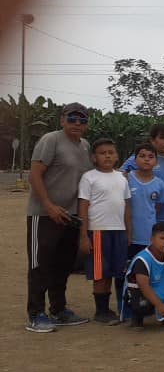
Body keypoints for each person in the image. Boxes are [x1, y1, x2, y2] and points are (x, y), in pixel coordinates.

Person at [26, 102, 92, 332]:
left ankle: (59, 310)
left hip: (70, 216)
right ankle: (36, 314)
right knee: (40, 264)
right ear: (62, 119)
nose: (77, 123)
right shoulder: (51, 140)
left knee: (63, 265)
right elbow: (35, 175)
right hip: (44, 214)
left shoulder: (85, 146)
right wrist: (48, 205)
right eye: (72, 118)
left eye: (82, 120)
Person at [78, 138, 131, 324]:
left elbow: (127, 207)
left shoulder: (122, 178)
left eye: (111, 152)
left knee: (115, 270)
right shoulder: (89, 177)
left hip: (119, 231)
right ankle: (101, 311)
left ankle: (110, 309)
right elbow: (83, 207)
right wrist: (84, 236)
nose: (107, 156)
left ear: (117, 156)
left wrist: (129, 233)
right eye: (102, 153)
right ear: (94, 158)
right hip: (98, 231)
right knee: (101, 273)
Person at [121, 123, 164, 249]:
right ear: (152, 140)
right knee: (155, 253)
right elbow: (122, 175)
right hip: (156, 220)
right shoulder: (144, 157)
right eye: (162, 138)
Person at [121, 222, 164, 328]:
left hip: (161, 289)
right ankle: (137, 318)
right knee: (143, 305)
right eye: (162, 238)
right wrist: (160, 305)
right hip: (140, 293)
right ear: (152, 239)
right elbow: (144, 286)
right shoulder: (142, 259)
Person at [127, 142, 164, 261]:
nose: (146, 159)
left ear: (156, 162)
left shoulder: (159, 183)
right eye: (142, 156)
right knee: (128, 268)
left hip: (149, 236)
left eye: (151, 156)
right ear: (135, 160)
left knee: (146, 267)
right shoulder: (126, 179)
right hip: (129, 235)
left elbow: (158, 207)